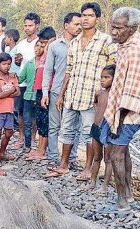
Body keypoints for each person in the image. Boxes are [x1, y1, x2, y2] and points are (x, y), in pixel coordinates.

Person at [46, 2, 116, 180]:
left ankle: (88, 168)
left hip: (91, 96)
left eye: (90, 15)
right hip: (73, 94)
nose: (85, 19)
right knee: (67, 130)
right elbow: (69, 71)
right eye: (83, 15)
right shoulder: (75, 42)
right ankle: (63, 164)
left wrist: (104, 93)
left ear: (97, 19)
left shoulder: (105, 40)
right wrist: (61, 94)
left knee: (88, 133)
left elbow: (114, 67)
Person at [103, 7, 140, 211]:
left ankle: (122, 202)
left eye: (118, 28)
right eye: (112, 27)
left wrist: (118, 122)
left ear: (131, 29)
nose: (114, 32)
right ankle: (129, 195)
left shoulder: (135, 51)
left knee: (116, 152)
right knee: (123, 151)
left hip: (130, 112)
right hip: (125, 109)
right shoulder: (127, 45)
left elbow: (130, 95)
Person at [41, 12, 82, 166]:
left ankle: (71, 158)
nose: (79, 27)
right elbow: (48, 71)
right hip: (57, 91)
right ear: (66, 25)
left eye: (80, 24)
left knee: (74, 128)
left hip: (76, 93)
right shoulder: (54, 46)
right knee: (54, 126)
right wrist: (45, 93)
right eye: (76, 24)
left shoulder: (82, 44)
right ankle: (52, 156)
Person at [25, 26, 56, 161]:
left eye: (44, 42)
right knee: (40, 121)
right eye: (41, 43)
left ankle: (42, 150)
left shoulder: (52, 51)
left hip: (47, 90)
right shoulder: (44, 54)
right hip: (40, 89)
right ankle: (39, 149)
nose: (42, 45)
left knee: (45, 122)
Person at [13, 13, 41, 152]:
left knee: (34, 114)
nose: (27, 28)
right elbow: (16, 65)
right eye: (25, 25)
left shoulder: (40, 43)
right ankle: (21, 137)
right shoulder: (21, 44)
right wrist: (17, 61)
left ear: (37, 26)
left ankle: (33, 138)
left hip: (35, 84)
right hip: (22, 83)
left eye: (30, 25)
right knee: (21, 112)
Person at [87, 64, 114, 194]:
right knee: (96, 156)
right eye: (101, 77)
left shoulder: (115, 95)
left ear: (114, 79)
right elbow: (95, 103)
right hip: (96, 127)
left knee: (108, 159)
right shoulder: (99, 93)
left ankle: (104, 187)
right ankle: (92, 181)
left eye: (106, 77)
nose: (103, 80)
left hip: (108, 129)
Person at [18, 39, 47, 158]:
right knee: (27, 121)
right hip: (28, 96)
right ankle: (28, 145)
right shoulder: (29, 63)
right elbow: (21, 78)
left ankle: (37, 144)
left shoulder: (46, 63)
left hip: (39, 96)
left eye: (41, 46)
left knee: (39, 121)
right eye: (37, 46)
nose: (38, 49)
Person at [0, 53, 20, 167]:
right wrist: (11, 89)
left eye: (8, 64)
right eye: (4, 64)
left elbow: (18, 92)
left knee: (9, 133)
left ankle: (2, 152)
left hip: (9, 110)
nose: (6, 66)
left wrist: (7, 92)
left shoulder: (13, 77)